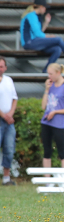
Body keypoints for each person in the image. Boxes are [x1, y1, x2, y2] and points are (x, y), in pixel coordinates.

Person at [41, 63, 64, 170]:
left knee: (62, 152)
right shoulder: (50, 85)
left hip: (59, 124)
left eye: (51, 74)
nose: (49, 77)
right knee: (47, 151)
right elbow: (43, 106)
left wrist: (56, 112)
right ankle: (47, 181)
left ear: (58, 73)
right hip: (47, 122)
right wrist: (46, 90)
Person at [20, 0, 64, 72]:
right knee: (58, 39)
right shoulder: (31, 16)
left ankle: (46, 71)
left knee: (57, 49)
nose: (45, 9)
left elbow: (39, 33)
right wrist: (49, 36)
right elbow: (38, 34)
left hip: (34, 41)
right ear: (40, 7)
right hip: (29, 42)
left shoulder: (37, 17)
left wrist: (46, 23)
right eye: (45, 7)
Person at [0, 57, 17, 186]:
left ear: (5, 68)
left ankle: (6, 177)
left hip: (9, 121)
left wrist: (10, 114)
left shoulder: (9, 80)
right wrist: (3, 115)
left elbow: (14, 98)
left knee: (9, 148)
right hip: (2, 118)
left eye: (1, 66)